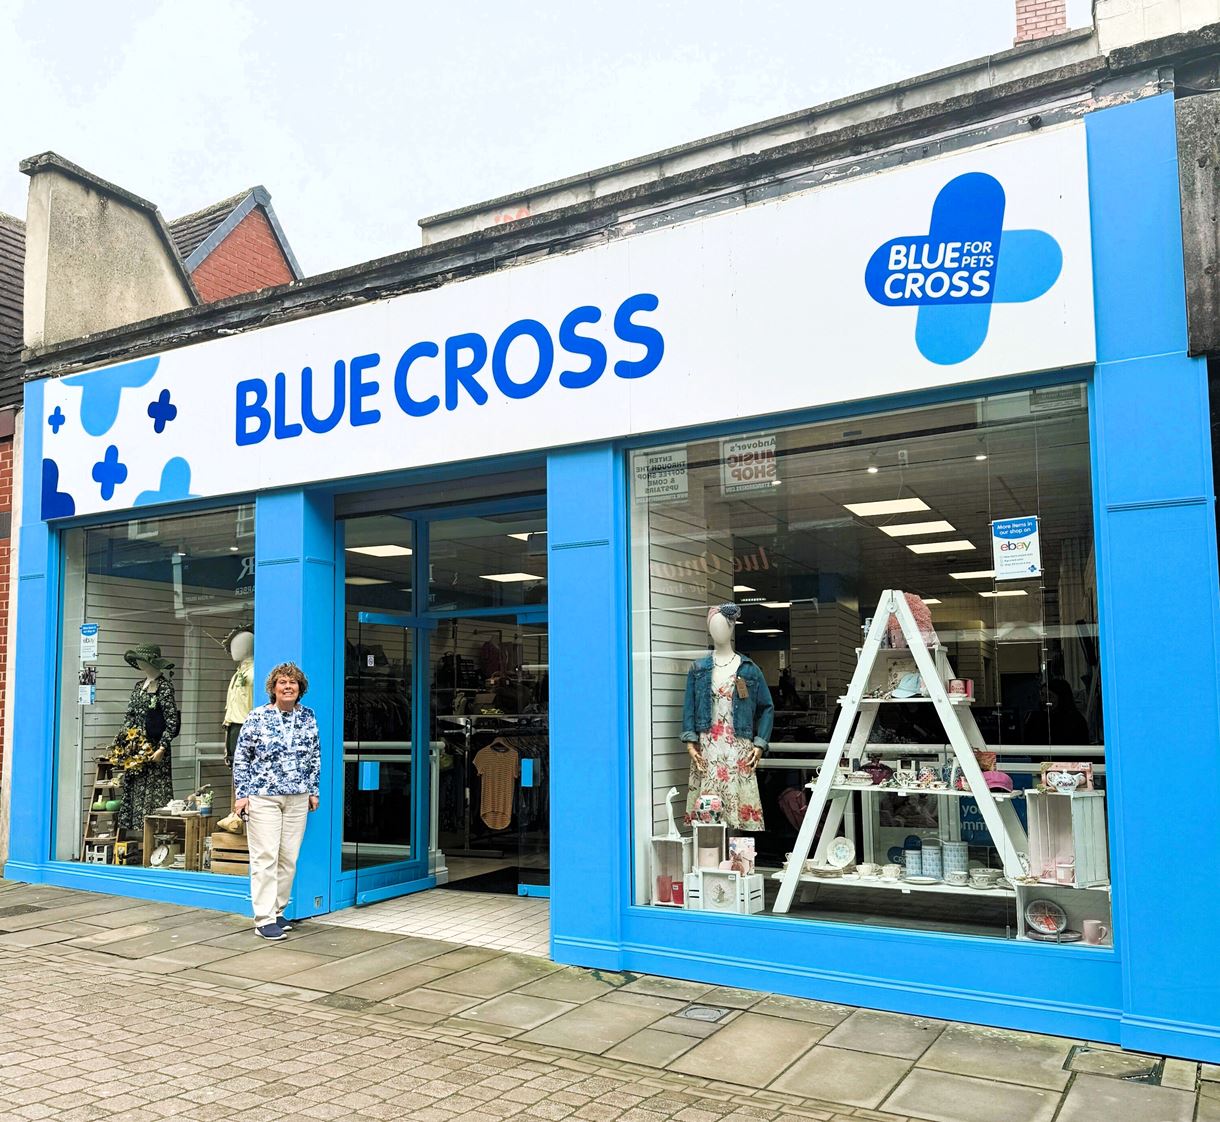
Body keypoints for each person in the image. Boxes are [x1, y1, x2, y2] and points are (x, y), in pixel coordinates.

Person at [233, 662, 321, 941]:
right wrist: (242, 795)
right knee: (265, 857)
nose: (287, 686)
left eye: (292, 682)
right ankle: (263, 919)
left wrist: (313, 789)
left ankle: (278, 910)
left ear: (300, 689)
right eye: (282, 682)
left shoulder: (307, 717)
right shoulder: (257, 717)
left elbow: (314, 756)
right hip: (264, 796)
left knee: (288, 859)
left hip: (297, 796)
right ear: (273, 688)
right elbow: (242, 757)